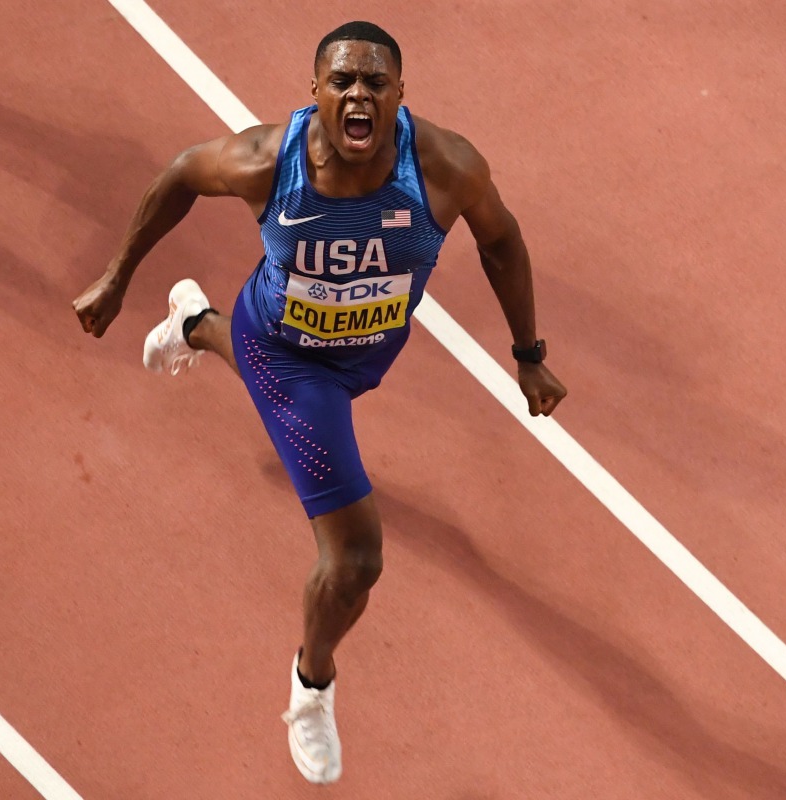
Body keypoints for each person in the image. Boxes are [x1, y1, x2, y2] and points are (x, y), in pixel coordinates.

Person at [72, 20, 567, 784]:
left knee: (286, 402)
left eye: (376, 82)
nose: (359, 93)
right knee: (356, 559)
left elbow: (502, 242)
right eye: (342, 81)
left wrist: (529, 356)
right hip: (288, 354)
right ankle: (311, 686)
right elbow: (177, 175)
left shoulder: (445, 168)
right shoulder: (269, 162)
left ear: (402, 96)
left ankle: (194, 325)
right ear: (316, 93)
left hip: (367, 355)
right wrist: (117, 275)